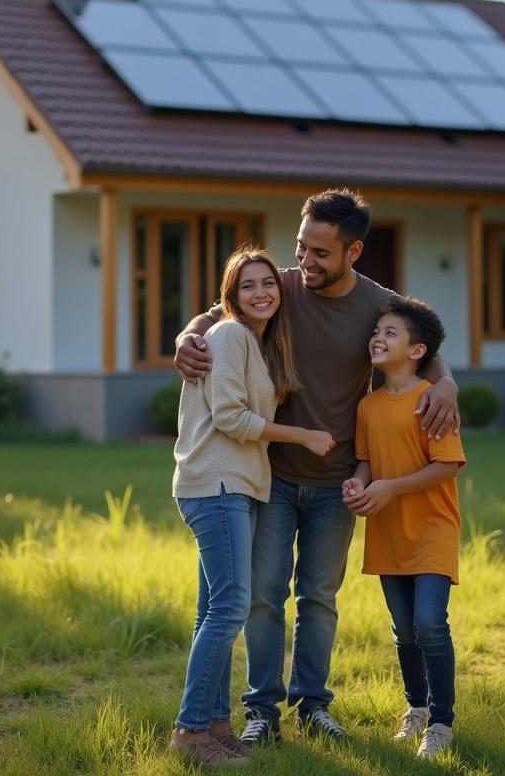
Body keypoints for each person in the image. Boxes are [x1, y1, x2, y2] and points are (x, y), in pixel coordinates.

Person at [174, 189, 460, 746]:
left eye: (320, 253)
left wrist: (445, 381)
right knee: (261, 595)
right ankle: (262, 710)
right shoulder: (278, 286)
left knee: (319, 599)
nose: (305, 262)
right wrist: (186, 335)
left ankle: (312, 704)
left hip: (338, 482)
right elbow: (217, 314)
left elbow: (423, 339)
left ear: (353, 252)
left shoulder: (377, 304)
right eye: (301, 247)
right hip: (270, 474)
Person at [170, 247, 335, 768]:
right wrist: (304, 435)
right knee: (230, 608)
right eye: (247, 285)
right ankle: (191, 731)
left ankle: (217, 724)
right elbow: (231, 419)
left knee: (212, 611)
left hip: (232, 485)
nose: (261, 291)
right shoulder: (230, 335)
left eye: (268, 283)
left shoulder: (257, 343)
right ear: (231, 296)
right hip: (216, 485)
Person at [342, 295, 466, 760]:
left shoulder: (432, 401)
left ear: (417, 351)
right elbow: (366, 462)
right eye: (377, 331)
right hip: (388, 530)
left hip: (433, 527)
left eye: (390, 333)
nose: (377, 337)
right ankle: (415, 708)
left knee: (430, 624)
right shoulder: (368, 407)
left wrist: (391, 487)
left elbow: (447, 466)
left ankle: (441, 722)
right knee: (404, 630)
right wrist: (357, 486)